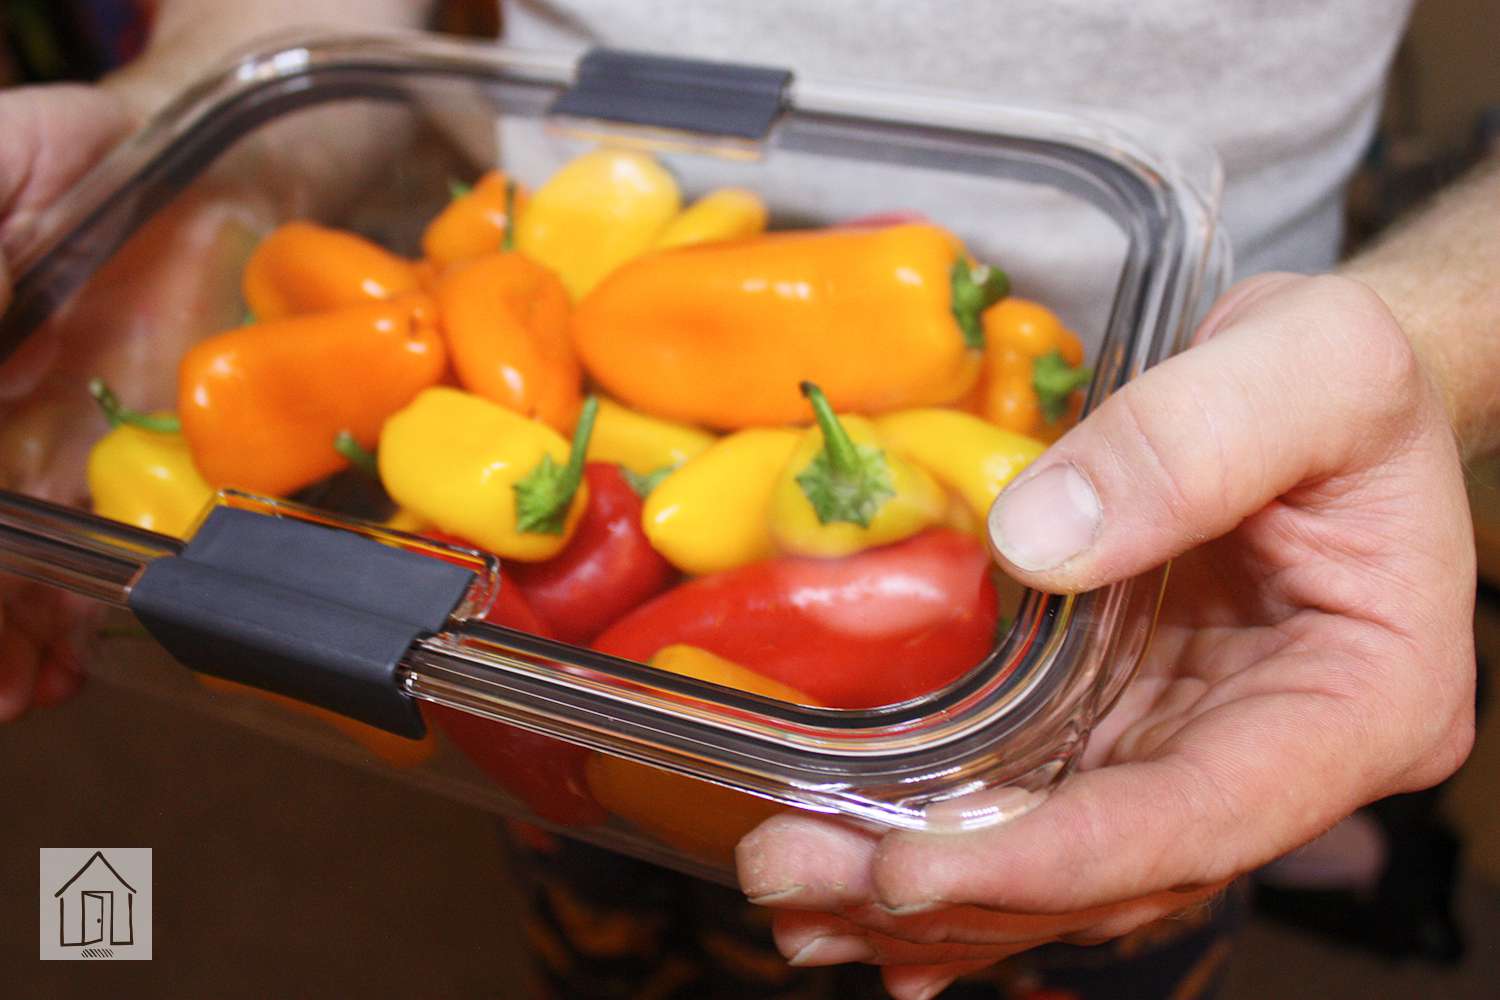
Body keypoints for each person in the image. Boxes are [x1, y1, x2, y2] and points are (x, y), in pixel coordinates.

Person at [0, 2, 1493, 998]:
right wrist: (167, 135)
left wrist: (1423, 353)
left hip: (1183, 503)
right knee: (577, 816)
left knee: (1054, 922)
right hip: (567, 424)